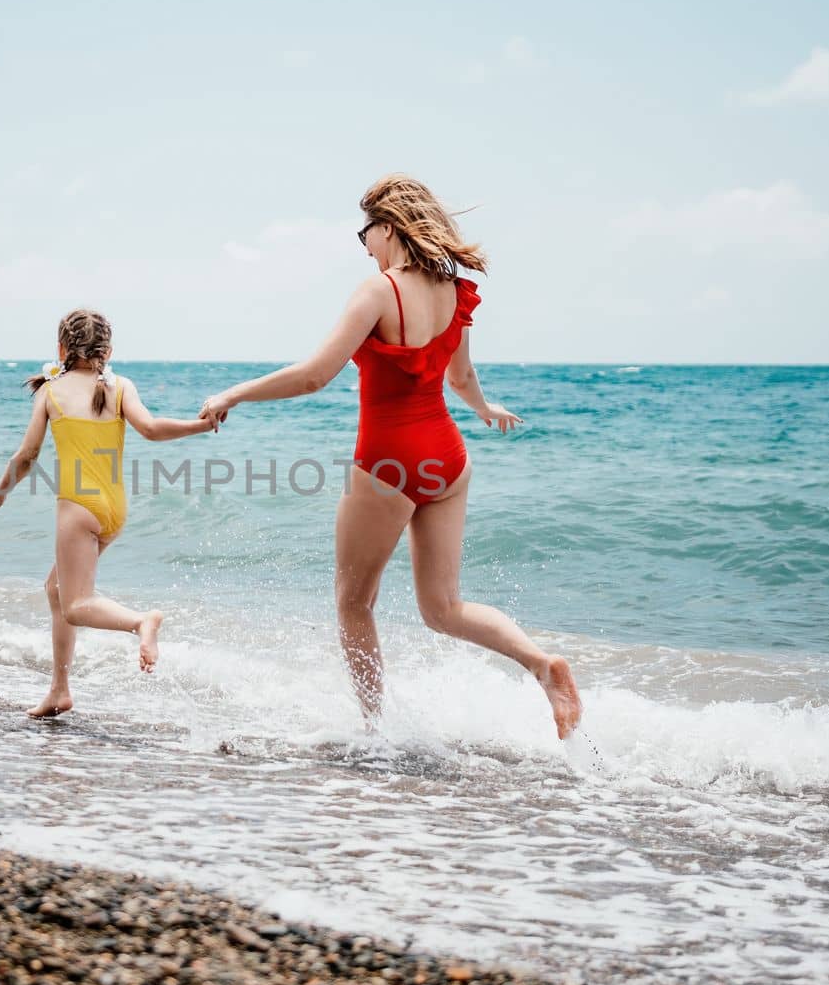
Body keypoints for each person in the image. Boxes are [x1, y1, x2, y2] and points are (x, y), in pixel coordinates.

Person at [198, 174, 583, 739]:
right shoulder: (454, 289)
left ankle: (376, 731)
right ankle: (541, 665)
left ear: (390, 226)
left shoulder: (379, 291)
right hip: (448, 456)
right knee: (445, 608)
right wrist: (483, 409)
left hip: (389, 462)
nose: (366, 246)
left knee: (354, 601)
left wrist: (233, 393)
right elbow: (462, 375)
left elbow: (313, 376)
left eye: (366, 233)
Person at [0, 308, 216, 717]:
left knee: (76, 603)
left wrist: (0, 492)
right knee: (57, 591)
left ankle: (141, 622)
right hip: (114, 508)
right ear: (107, 350)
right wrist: (201, 426)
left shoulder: (50, 393)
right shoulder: (120, 386)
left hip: (77, 508)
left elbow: (27, 456)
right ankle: (59, 690)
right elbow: (152, 429)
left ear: (60, 349)